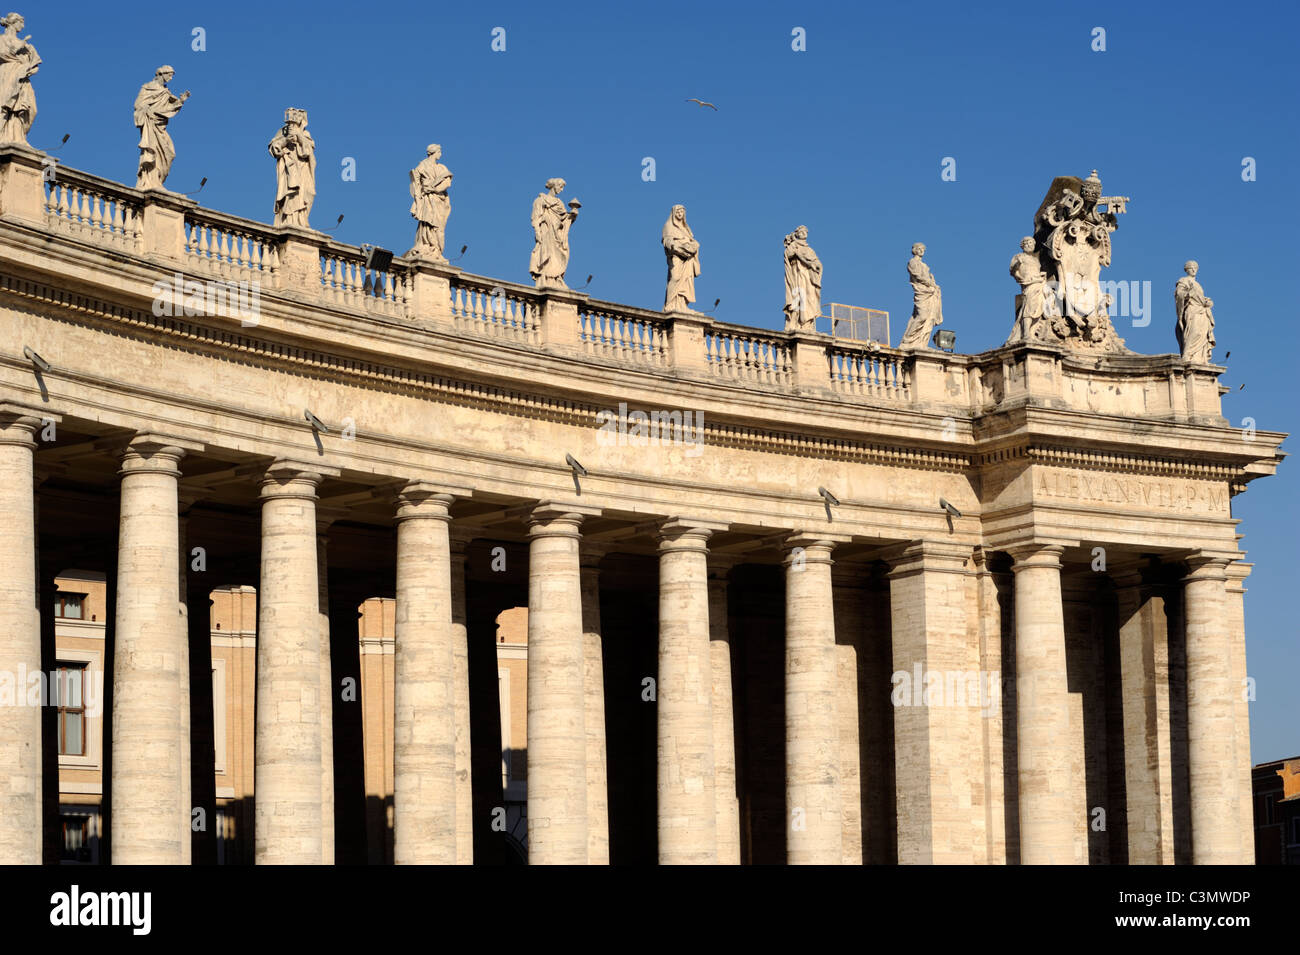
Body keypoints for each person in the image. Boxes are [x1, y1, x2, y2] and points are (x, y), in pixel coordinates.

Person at [134, 66, 189, 190]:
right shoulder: (147, 88)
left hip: (160, 127)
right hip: (151, 125)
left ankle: (157, 181)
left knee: (169, 152)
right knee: (152, 151)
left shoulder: (166, 92)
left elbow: (168, 108)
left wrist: (180, 101)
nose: (170, 78)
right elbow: (138, 105)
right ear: (161, 74)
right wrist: (146, 110)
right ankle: (150, 181)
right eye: (169, 75)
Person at [269, 108, 316, 228]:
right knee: (291, 196)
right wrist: (285, 140)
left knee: (309, 193)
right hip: (289, 170)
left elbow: (308, 152)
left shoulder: (306, 134)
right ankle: (290, 221)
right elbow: (274, 148)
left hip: (303, 170)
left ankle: (301, 219)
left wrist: (299, 136)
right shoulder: (282, 132)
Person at [528, 178, 579, 287]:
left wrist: (572, 215)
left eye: (562, 188)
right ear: (554, 186)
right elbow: (535, 218)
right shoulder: (540, 200)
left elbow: (564, 219)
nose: (561, 189)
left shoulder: (559, 203)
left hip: (557, 234)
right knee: (547, 253)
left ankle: (556, 278)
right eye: (560, 186)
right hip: (546, 230)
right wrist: (537, 232)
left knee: (560, 254)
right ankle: (546, 278)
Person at [0, 11, 38, 145]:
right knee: (6, 106)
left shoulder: (27, 46)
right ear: (12, 23)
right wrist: (20, 45)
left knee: (29, 108)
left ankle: (18, 137)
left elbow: (35, 62)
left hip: (22, 76)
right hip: (7, 74)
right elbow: (3, 54)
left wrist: (30, 68)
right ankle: (3, 136)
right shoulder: (2, 39)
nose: (22, 26)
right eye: (20, 22)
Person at [409, 144, 452, 259]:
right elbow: (415, 184)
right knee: (428, 223)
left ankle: (436, 249)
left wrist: (434, 189)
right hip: (427, 199)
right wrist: (420, 195)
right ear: (434, 152)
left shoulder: (442, 168)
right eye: (440, 151)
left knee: (439, 226)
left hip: (439, 199)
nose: (441, 154)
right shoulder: (421, 167)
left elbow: (447, 183)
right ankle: (427, 245)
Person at [899, 242, 943, 348]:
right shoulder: (912, 262)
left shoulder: (925, 266)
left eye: (923, 249)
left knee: (929, 318)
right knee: (922, 316)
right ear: (915, 250)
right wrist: (930, 283)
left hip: (929, 292)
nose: (922, 250)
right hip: (922, 292)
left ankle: (921, 342)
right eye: (919, 248)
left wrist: (934, 285)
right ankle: (907, 340)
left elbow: (928, 278)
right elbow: (917, 275)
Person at [1175, 260, 1216, 363]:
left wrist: (1206, 301)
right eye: (1191, 268)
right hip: (1192, 310)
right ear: (1186, 270)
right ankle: (1187, 355)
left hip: (1202, 311)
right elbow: (1179, 294)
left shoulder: (1197, 284)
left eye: (1195, 268)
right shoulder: (1183, 280)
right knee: (1194, 332)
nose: (1193, 270)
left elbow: (1200, 298)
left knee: (1202, 333)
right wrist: (1188, 294)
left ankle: (1199, 358)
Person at [783, 225, 822, 331]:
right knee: (799, 297)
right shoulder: (794, 246)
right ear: (797, 234)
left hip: (808, 278)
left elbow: (817, 263)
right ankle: (796, 322)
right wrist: (794, 250)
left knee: (810, 298)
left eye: (806, 232)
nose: (804, 233)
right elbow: (788, 254)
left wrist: (816, 265)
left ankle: (807, 323)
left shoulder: (809, 250)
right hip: (797, 275)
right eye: (801, 231)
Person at [662, 204, 700, 312]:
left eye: (682, 212)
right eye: (678, 212)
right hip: (676, 256)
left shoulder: (686, 229)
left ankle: (681, 305)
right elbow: (666, 240)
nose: (680, 214)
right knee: (675, 277)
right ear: (674, 213)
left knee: (685, 281)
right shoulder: (669, 226)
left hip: (687, 259)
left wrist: (694, 245)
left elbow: (691, 241)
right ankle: (669, 304)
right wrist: (673, 245)